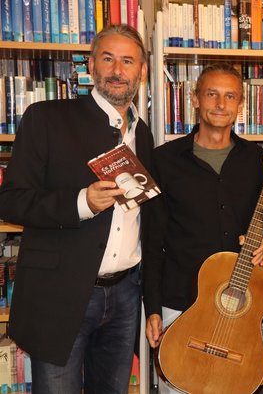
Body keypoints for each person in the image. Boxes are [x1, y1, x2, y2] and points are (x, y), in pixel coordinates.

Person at [0, 24, 153, 393]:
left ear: (142, 71)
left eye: (128, 61)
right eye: (108, 59)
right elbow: (11, 199)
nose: (118, 70)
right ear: (91, 65)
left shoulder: (142, 134)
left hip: (125, 294)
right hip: (61, 294)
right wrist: (81, 203)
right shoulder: (46, 118)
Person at [143, 63, 263, 393]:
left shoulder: (255, 160)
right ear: (195, 99)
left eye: (230, 96)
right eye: (212, 94)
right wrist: (152, 308)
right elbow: (152, 241)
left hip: (237, 309)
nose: (220, 104)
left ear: (240, 104)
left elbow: (262, 219)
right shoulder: (164, 160)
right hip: (180, 303)